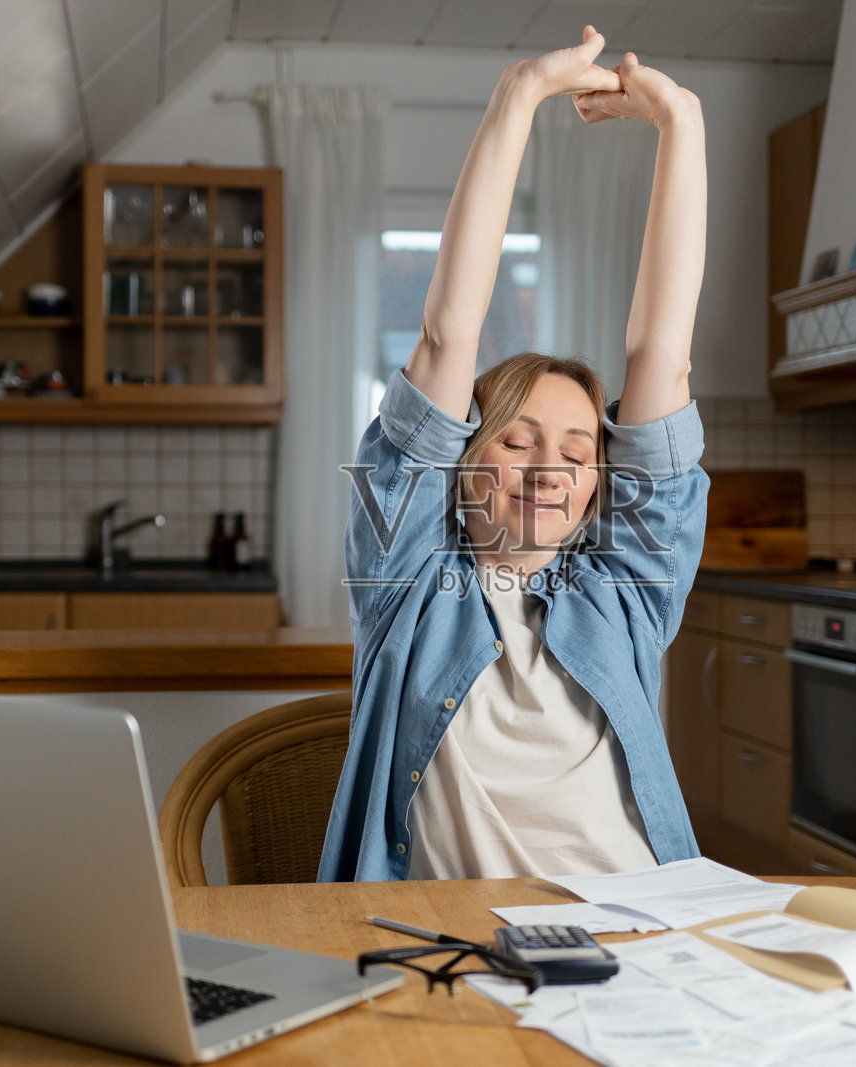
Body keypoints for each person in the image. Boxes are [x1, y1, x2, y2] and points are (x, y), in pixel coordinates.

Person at [319, 26, 709, 882]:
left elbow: (661, 361)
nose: (549, 471)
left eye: (578, 452)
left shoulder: (625, 597)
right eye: (517, 440)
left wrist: (682, 126)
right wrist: (519, 95)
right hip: (450, 949)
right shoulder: (408, 584)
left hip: (636, 931)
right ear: (461, 465)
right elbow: (448, 331)